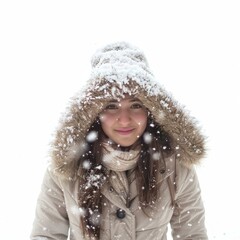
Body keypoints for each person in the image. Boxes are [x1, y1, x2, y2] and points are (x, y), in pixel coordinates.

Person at [31, 42, 208, 240]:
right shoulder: (67, 167)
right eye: (112, 105)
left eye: (135, 105)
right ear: (94, 113)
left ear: (150, 110)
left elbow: (192, 234)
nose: (124, 119)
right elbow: (46, 235)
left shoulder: (176, 166)